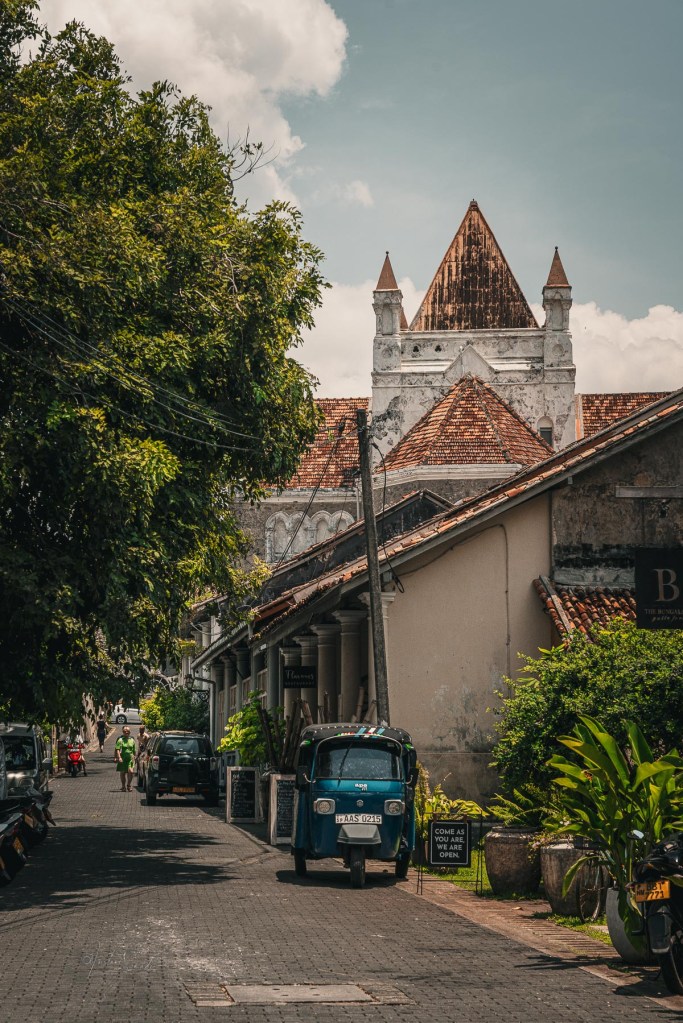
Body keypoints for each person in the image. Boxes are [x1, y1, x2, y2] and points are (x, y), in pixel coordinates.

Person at [114, 726, 136, 792]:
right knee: (123, 772)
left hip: (130, 758)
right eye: (125, 731)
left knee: (131, 772)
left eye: (128, 731)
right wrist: (119, 757)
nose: (126, 732)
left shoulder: (132, 740)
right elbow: (117, 749)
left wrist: (135, 757)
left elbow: (134, 750)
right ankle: (123, 786)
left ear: (130, 732)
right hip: (123, 758)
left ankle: (128, 785)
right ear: (123, 732)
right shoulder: (120, 740)